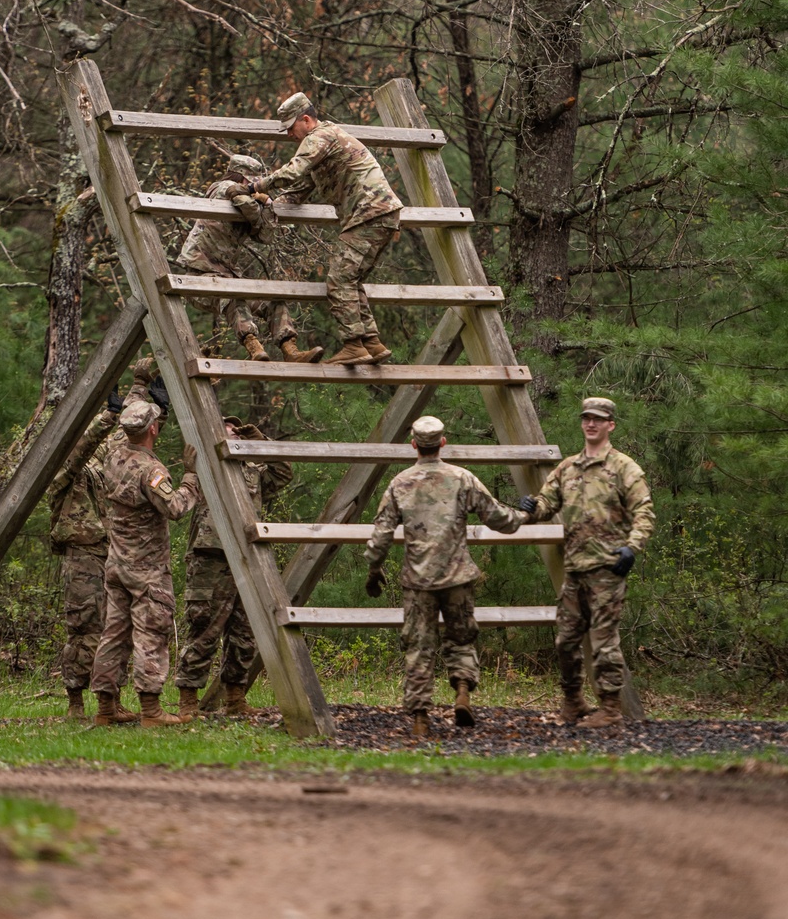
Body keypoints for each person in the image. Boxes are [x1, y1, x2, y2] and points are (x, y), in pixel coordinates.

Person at [364, 416, 526, 738]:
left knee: (419, 648)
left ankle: (421, 719)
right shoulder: (462, 479)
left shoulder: (400, 483)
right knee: (462, 639)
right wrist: (524, 514)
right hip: (457, 578)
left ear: (413, 444)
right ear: (442, 442)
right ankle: (463, 691)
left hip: (418, 582)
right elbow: (499, 519)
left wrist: (374, 567)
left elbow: (381, 533)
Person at [229, 93, 403, 366]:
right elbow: (297, 191)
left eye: (290, 127)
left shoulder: (320, 136)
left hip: (369, 213)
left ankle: (353, 345)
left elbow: (293, 171)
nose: (288, 135)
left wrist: (253, 187)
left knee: (338, 279)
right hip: (378, 214)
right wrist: (267, 204)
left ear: (306, 120)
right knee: (350, 279)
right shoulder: (322, 148)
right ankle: (371, 343)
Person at [519, 397, 655, 730]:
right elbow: (545, 505)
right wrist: (529, 507)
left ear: (611, 424)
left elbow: (645, 513)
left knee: (605, 642)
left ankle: (609, 708)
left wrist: (632, 548)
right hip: (575, 567)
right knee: (565, 640)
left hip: (607, 568)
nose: (591, 424)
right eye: (586, 418)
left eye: (598, 419)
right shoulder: (567, 468)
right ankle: (573, 701)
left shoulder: (624, 468)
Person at [46, 358, 156, 722]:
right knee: (84, 626)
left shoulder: (101, 462)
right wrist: (107, 415)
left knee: (116, 627)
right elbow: (85, 446)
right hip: (83, 553)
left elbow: (127, 428)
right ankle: (75, 701)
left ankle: (111, 701)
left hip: (111, 551)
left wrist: (141, 384)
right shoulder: (63, 469)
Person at [90, 397, 199, 727]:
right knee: (151, 634)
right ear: (153, 428)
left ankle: (106, 709)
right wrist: (192, 475)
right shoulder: (151, 470)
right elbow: (176, 507)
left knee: (113, 634)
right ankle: (151, 711)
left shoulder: (113, 457)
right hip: (146, 569)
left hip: (117, 564)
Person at [175, 416, 292, 721]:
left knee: (245, 630)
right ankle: (188, 700)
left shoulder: (252, 467)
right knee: (204, 628)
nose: (233, 431)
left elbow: (284, 472)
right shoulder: (204, 464)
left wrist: (260, 442)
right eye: (227, 427)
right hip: (211, 557)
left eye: (237, 428)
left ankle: (235, 698)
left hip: (248, 555)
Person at [176, 151, 323, 363]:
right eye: (251, 182)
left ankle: (291, 350)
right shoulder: (222, 188)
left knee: (273, 299)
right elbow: (248, 207)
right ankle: (254, 347)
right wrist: (261, 203)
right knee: (234, 295)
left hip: (228, 276)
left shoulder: (244, 196)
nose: (254, 187)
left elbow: (265, 235)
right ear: (241, 178)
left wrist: (268, 204)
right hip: (199, 276)